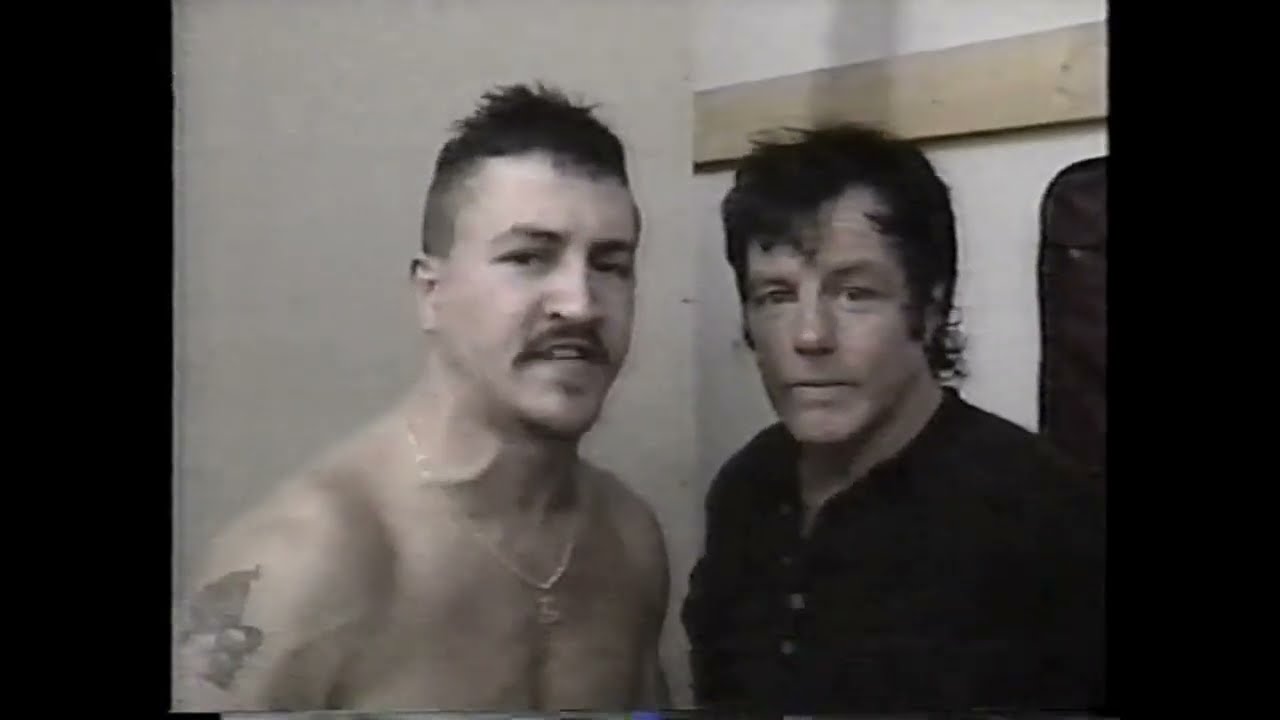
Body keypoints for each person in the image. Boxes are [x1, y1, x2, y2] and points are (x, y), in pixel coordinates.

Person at [174, 84, 670, 713]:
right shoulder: (300, 564)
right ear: (431, 294)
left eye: (611, 265)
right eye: (529, 257)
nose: (580, 304)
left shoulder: (628, 540)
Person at [681, 124, 1105, 713]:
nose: (810, 336)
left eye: (854, 293)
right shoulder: (744, 488)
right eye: (777, 296)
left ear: (929, 311)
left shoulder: (1046, 517)